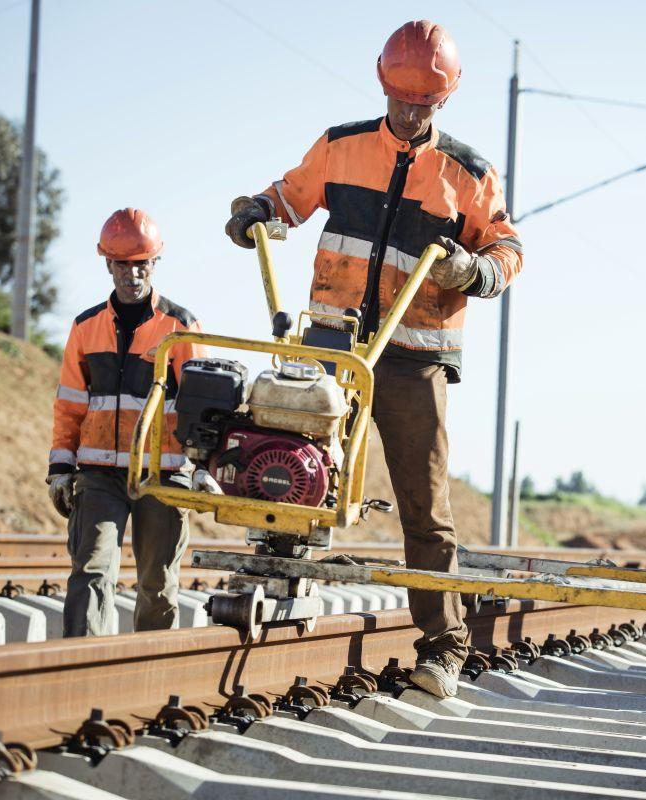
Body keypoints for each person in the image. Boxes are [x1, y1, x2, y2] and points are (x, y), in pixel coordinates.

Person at [223, 20, 523, 699]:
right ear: (384, 83)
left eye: (426, 103)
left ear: (445, 99)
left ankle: (443, 649)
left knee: (425, 504)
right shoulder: (340, 146)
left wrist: (470, 271)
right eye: (404, 99)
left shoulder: (469, 174)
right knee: (293, 467)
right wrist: (254, 213)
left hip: (414, 358)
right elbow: (287, 199)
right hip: (331, 345)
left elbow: (508, 252)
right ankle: (276, 579)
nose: (413, 112)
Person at [48, 209, 205, 637]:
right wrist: (60, 469)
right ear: (108, 264)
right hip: (100, 474)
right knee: (92, 571)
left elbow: (200, 407)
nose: (132, 274)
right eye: (122, 264)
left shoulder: (180, 326)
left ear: (154, 263)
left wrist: (200, 466)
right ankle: (81, 669)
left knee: (157, 583)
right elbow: (70, 405)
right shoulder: (85, 327)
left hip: (163, 474)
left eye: (141, 264)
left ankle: (147, 672)